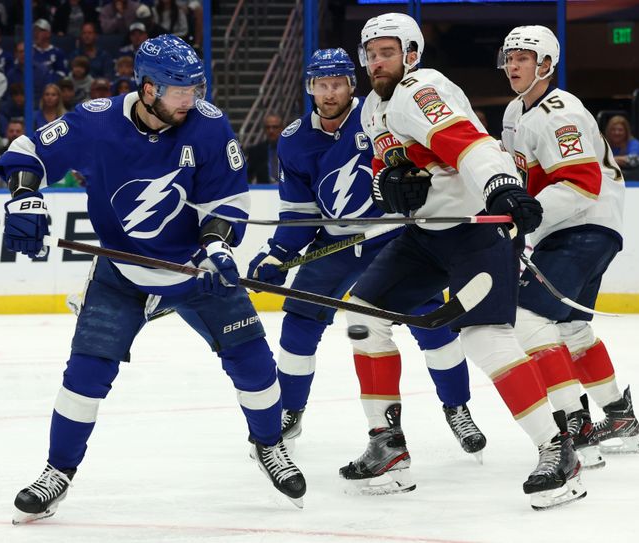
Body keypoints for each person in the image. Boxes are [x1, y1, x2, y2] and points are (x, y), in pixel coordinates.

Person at [0, 34, 306, 524]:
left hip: (194, 269)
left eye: (195, 88)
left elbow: (225, 201)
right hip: (122, 272)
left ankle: (268, 445)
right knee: (85, 376)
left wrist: (219, 245)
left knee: (253, 362)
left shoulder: (208, 125)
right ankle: (57, 472)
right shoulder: (96, 121)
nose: (191, 99)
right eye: (179, 91)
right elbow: (26, 149)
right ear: (146, 88)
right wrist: (25, 195)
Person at [343, 13, 583, 510]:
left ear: (410, 54)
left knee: (485, 339)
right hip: (427, 234)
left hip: (473, 229)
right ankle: (387, 446)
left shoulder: (420, 89)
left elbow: (469, 144)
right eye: (370, 53)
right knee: (364, 317)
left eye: (386, 52)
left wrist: (502, 187)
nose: (375, 61)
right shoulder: (370, 107)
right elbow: (384, 169)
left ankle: (557, 450)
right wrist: (388, 188)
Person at [246, 48, 486, 482]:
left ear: (351, 85)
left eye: (338, 83)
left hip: (392, 241)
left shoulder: (380, 115)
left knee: (431, 322)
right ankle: (290, 412)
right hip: (335, 244)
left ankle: (458, 408)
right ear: (310, 87)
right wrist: (278, 255)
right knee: (298, 323)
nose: (330, 92)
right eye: (322, 84)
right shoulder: (295, 139)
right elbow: (299, 213)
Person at [498, 25, 639, 469]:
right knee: (572, 330)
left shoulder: (563, 112)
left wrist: (524, 221)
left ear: (546, 64)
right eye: (509, 57)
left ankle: (573, 423)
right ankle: (620, 418)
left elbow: (581, 184)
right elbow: (517, 176)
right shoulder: (513, 113)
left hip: (583, 227)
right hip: (576, 231)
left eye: (523, 57)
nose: (513, 65)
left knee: (527, 316)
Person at [246, 114, 283, 184]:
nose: (271, 131)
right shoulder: (255, 151)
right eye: (268, 127)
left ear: (282, 128)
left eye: (275, 127)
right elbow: (247, 176)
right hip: (265, 192)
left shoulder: (290, 150)